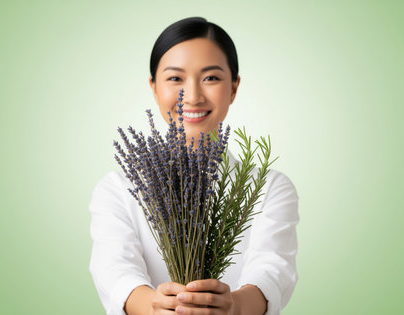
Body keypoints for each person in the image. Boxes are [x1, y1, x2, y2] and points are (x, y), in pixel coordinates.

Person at [88, 17, 299, 315]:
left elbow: (274, 271)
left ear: (234, 87)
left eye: (210, 78)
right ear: (154, 87)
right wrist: (153, 307)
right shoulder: (118, 189)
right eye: (175, 79)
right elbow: (114, 269)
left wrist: (233, 306)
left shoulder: (270, 187)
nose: (193, 96)